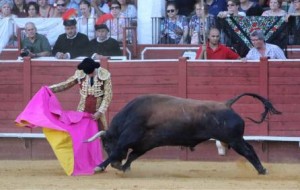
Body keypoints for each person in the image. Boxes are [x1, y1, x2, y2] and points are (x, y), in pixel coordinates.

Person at [49, 57, 113, 130]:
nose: (89, 75)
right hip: (82, 110)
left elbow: (108, 95)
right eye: (87, 73)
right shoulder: (81, 73)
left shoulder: (104, 74)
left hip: (98, 112)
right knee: (79, 133)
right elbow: (67, 84)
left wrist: (100, 112)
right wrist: (50, 89)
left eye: (91, 73)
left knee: (102, 134)